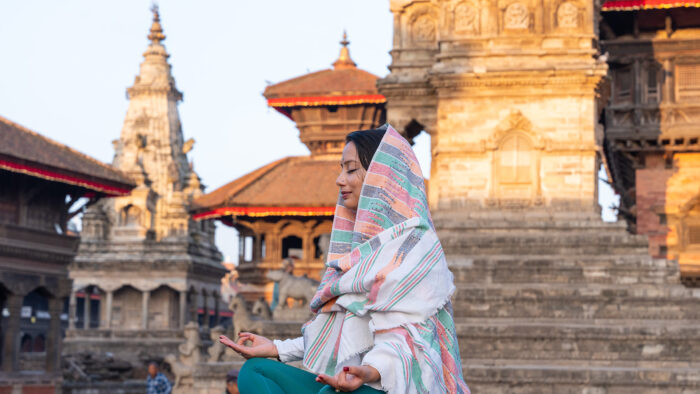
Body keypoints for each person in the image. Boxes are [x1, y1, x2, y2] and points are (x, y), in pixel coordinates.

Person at [220, 125, 470, 394]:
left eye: (350, 170)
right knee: (254, 371)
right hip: (351, 381)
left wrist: (369, 370)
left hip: (393, 384)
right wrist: (276, 348)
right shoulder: (360, 252)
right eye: (341, 170)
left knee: (331, 393)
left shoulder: (416, 246)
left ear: (380, 175)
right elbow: (342, 333)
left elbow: (406, 337)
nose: (340, 180)